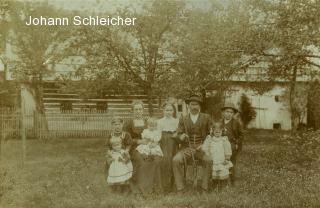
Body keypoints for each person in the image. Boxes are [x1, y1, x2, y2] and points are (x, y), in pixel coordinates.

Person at [172, 95, 212, 192]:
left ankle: (204, 187)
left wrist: (204, 145)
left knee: (208, 160)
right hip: (187, 148)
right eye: (192, 104)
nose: (194, 107)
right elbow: (178, 133)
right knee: (176, 160)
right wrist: (180, 137)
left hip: (201, 148)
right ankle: (180, 188)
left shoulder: (206, 117)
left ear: (200, 106)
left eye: (196, 104)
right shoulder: (183, 119)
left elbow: (212, 134)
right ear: (188, 106)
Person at [123, 100, 162, 195]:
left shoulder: (147, 121)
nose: (138, 111)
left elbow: (155, 133)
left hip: (148, 146)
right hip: (134, 148)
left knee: (156, 159)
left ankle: (154, 188)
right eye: (136, 109)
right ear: (132, 110)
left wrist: (154, 142)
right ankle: (141, 188)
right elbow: (125, 139)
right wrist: (138, 141)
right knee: (142, 160)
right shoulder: (128, 123)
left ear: (143, 110)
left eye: (140, 109)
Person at [201, 121, 232, 190]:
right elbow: (205, 147)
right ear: (212, 131)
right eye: (216, 132)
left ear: (222, 131)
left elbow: (228, 149)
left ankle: (223, 186)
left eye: (219, 132)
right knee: (214, 173)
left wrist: (227, 158)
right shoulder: (210, 139)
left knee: (222, 172)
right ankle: (215, 186)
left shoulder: (224, 140)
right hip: (213, 159)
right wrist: (207, 153)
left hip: (221, 159)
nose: (218, 133)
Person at [105, 117, 133, 193]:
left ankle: (124, 184)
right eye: (115, 124)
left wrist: (126, 151)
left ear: (122, 125)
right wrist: (109, 152)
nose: (117, 126)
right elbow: (108, 146)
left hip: (122, 153)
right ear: (112, 126)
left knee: (123, 168)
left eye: (119, 124)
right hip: (114, 153)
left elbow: (129, 144)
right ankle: (115, 183)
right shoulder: (111, 135)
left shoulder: (125, 134)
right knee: (113, 167)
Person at [158, 102, 179, 192]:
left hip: (174, 142)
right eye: (167, 110)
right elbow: (158, 134)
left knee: (173, 160)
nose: (168, 112)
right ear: (163, 111)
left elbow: (179, 131)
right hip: (164, 142)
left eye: (170, 110)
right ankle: (165, 184)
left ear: (173, 111)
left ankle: (173, 183)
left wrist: (176, 134)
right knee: (165, 160)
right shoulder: (160, 121)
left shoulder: (176, 121)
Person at [221, 103, 244, 185]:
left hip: (232, 144)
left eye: (231, 112)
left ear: (233, 114)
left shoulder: (236, 123)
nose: (229, 114)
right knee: (220, 161)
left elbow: (241, 134)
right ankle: (221, 179)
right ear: (223, 112)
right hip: (220, 144)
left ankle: (232, 180)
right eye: (227, 111)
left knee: (231, 162)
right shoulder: (220, 122)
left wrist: (237, 143)